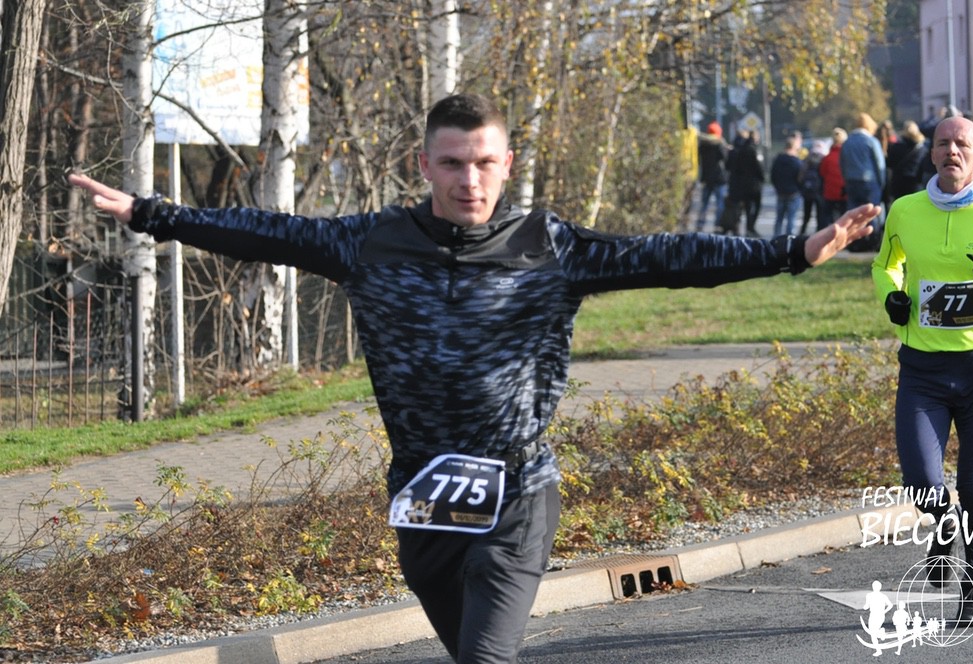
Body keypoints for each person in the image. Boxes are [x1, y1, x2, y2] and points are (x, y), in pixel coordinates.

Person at [70, 93, 878, 664]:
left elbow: (669, 256)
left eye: (485, 163)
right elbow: (267, 233)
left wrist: (790, 251)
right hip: (422, 493)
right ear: (424, 164)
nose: (470, 181)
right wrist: (151, 213)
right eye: (453, 164)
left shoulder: (549, 247)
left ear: (507, 163)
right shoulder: (370, 244)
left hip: (518, 491)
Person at [872, 115, 973, 629]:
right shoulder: (905, 209)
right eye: (943, 143)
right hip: (922, 369)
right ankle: (943, 528)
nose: (952, 151)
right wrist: (892, 297)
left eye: (962, 144)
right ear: (931, 154)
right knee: (923, 484)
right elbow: (885, 265)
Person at [840, 112, 886, 251]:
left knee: (853, 214)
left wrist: (846, 178)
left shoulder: (847, 142)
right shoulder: (871, 141)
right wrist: (881, 183)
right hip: (869, 181)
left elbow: (842, 163)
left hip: (851, 181)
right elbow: (879, 164)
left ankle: (854, 242)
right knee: (871, 213)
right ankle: (871, 241)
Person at [725, 129, 765, 237]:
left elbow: (731, 167)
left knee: (745, 207)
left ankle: (740, 228)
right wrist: (762, 178)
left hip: (741, 183)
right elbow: (758, 167)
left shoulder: (738, 150)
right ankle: (749, 227)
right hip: (754, 184)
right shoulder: (753, 149)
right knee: (755, 206)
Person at [696, 120, 729, 231]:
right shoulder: (719, 144)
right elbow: (724, 158)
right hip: (719, 178)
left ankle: (700, 223)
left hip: (706, 178)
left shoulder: (702, 145)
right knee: (720, 204)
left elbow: (700, 161)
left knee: (704, 203)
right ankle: (717, 224)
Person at [770, 131, 804, 237]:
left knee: (779, 218)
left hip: (781, 192)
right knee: (791, 218)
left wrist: (777, 187)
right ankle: (790, 240)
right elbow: (800, 178)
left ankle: (776, 238)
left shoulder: (778, 159)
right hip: (793, 192)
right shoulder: (796, 162)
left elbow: (773, 175)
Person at [886, 120, 928, 202]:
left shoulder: (896, 147)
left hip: (898, 182)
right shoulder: (922, 149)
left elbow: (889, 164)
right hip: (914, 182)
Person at [818, 128, 848, 230]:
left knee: (826, 217)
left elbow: (822, 173)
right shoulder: (846, 157)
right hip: (844, 193)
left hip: (830, 192)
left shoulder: (827, 158)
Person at [798, 142, 825, 234]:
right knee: (820, 215)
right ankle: (819, 234)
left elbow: (801, 176)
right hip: (819, 191)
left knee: (806, 214)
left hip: (808, 191)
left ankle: (802, 232)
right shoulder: (823, 159)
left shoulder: (807, 159)